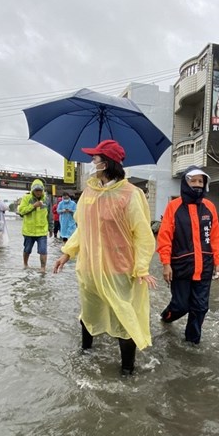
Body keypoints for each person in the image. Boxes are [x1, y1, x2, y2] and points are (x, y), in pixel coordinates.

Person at [53, 139, 157, 376]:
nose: (92, 163)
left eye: (95, 159)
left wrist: (141, 268)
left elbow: (143, 234)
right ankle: (85, 354)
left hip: (119, 269)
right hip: (89, 267)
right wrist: (67, 253)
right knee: (88, 313)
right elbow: (83, 228)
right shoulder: (90, 192)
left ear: (106, 163)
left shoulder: (131, 194)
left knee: (124, 319)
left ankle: (127, 370)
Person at [157, 167, 219, 344]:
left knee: (200, 308)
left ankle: (192, 343)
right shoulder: (174, 207)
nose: (197, 185)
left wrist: (217, 262)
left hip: (205, 267)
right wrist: (165, 263)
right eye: (193, 181)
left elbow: (215, 237)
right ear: (185, 182)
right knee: (181, 305)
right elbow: (165, 237)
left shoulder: (209, 208)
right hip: (181, 266)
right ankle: (166, 317)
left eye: (200, 181)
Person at [17, 179, 52, 270]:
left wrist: (51, 228)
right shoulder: (26, 198)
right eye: (36, 190)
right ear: (33, 190)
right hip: (29, 231)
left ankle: (43, 269)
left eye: (40, 190)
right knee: (27, 249)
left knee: (43, 251)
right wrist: (33, 206)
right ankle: (25, 264)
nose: (38, 192)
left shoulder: (46, 200)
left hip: (42, 230)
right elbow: (21, 212)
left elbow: (49, 215)